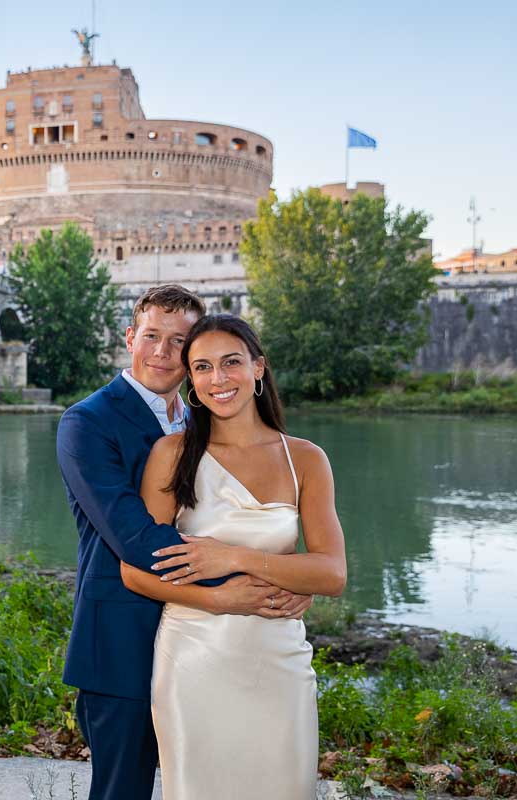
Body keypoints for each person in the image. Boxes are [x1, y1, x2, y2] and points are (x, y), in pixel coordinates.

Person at [56, 286, 313, 800]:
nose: (162, 351)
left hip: (205, 645)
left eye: (178, 342)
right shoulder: (86, 423)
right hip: (123, 635)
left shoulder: (204, 421)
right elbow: (136, 539)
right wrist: (262, 582)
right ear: (129, 338)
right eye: (151, 336)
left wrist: (287, 575)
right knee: (122, 790)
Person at [121, 314, 347, 799]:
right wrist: (222, 600)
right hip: (193, 660)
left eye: (231, 363)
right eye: (202, 368)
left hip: (279, 660)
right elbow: (134, 573)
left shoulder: (305, 458)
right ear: (192, 382)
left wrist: (235, 558)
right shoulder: (172, 454)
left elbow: (331, 573)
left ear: (258, 368)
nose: (217, 379)